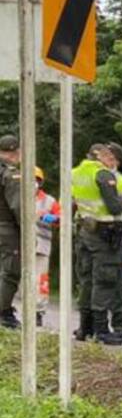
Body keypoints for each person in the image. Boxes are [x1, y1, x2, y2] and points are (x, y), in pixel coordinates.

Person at [71, 143, 122, 343]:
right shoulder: (104, 175)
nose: (113, 163)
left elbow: (73, 203)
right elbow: (114, 207)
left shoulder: (75, 173)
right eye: (111, 158)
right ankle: (101, 329)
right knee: (105, 280)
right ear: (103, 157)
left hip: (85, 232)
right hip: (105, 234)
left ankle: (84, 327)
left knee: (86, 280)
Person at [31, 167, 60, 326]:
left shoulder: (49, 201)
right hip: (20, 245)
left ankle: (38, 312)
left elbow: (62, 218)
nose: (33, 183)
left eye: (36, 179)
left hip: (41, 246)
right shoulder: (17, 197)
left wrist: (52, 218)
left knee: (40, 280)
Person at [0, 134, 23, 329]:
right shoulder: (10, 174)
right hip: (7, 229)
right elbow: (17, 207)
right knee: (10, 271)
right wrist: (26, 230)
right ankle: (3, 311)